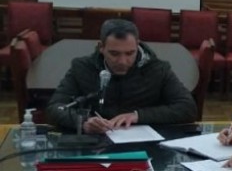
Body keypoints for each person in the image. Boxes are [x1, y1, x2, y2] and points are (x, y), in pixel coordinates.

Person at [46, 19, 197, 133]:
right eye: (114, 54)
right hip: (96, 144)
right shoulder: (82, 68)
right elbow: (54, 108)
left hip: (144, 145)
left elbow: (187, 108)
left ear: (137, 45)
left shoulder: (158, 69)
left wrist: (138, 116)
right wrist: (83, 122)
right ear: (101, 47)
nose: (122, 61)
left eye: (130, 53)